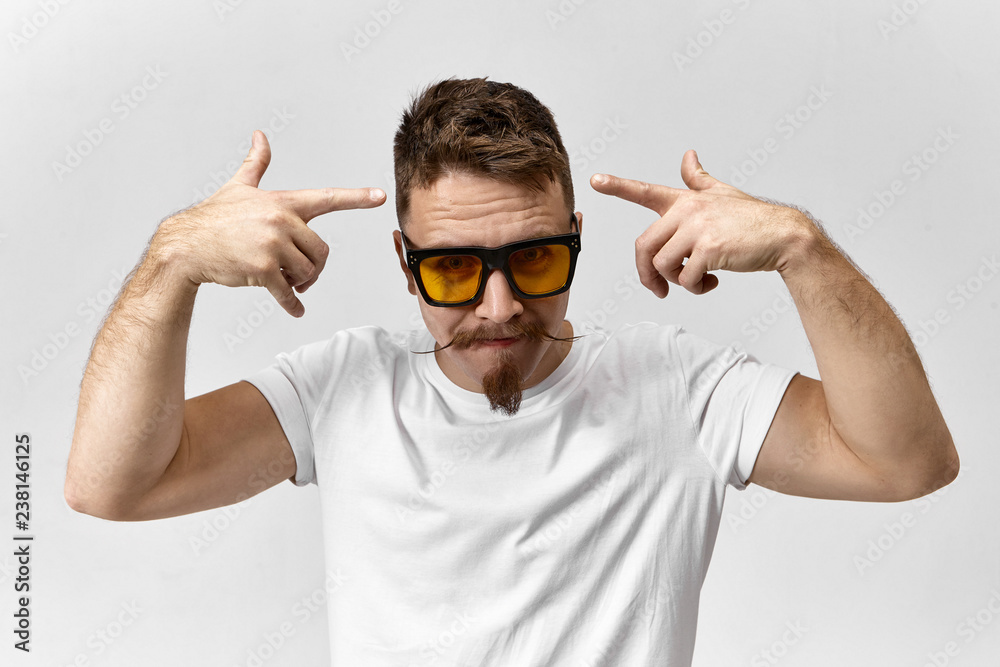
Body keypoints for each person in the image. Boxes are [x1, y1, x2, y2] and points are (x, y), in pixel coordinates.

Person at [65, 77, 959, 665]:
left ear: (576, 239)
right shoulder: (342, 389)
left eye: (534, 261)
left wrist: (806, 249)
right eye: (452, 268)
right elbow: (113, 484)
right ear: (403, 257)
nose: (498, 307)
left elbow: (905, 460)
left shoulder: (679, 391)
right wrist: (171, 260)